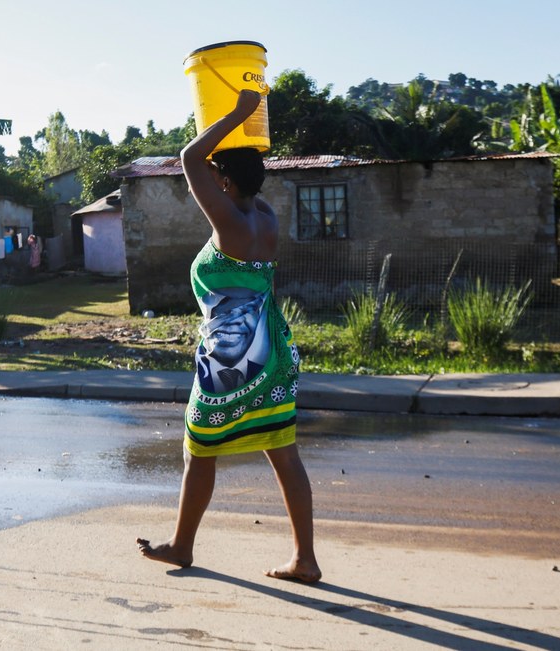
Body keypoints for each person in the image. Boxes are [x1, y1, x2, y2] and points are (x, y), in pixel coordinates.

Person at [136, 90, 321, 583]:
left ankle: (181, 546)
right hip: (273, 353)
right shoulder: (266, 218)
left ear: (222, 181)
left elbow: (187, 157)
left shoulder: (231, 224)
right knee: (283, 451)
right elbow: (216, 170)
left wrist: (238, 114)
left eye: (217, 176)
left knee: (199, 445)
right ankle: (305, 558)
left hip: (230, 361)